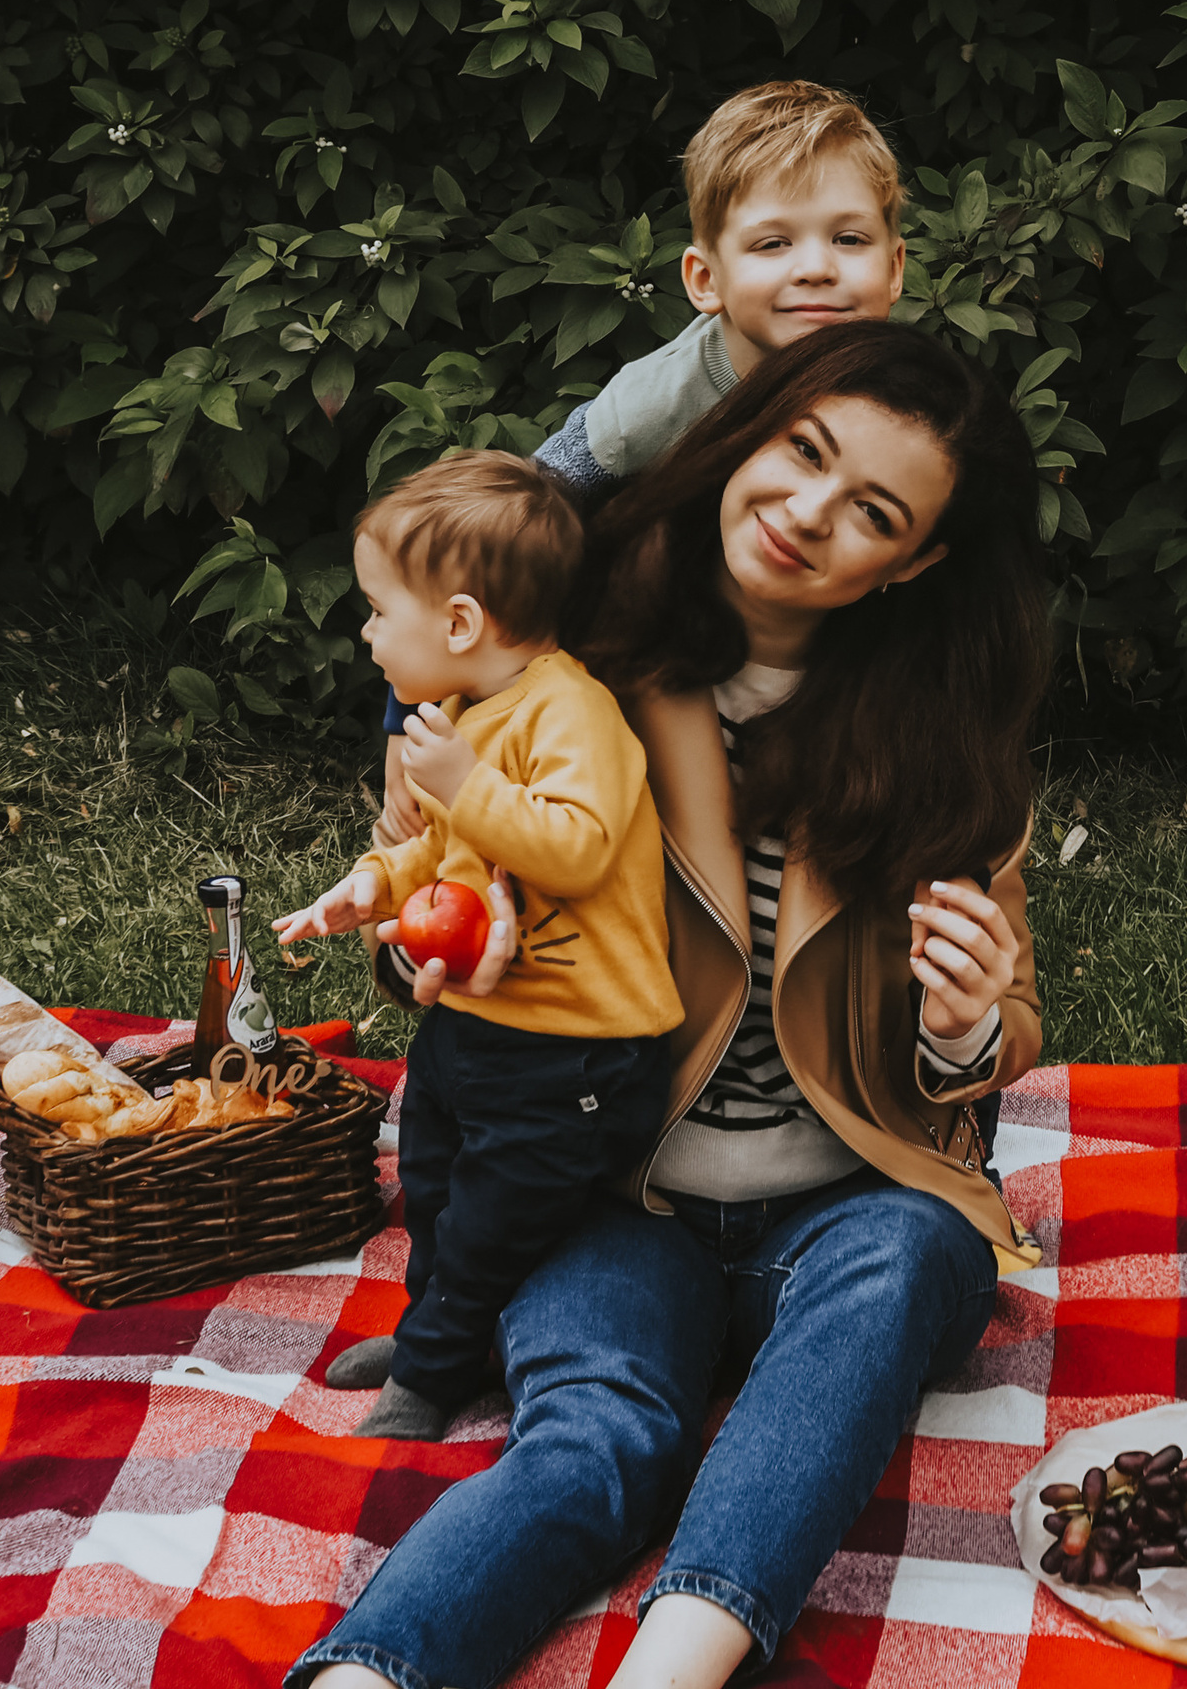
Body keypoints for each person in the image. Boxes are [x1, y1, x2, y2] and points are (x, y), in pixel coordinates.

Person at [290, 321, 1051, 1689]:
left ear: (916, 561)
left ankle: (679, 1664)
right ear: (749, 429)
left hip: (844, 1205)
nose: (808, 513)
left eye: (873, 510)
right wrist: (449, 948)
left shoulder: (944, 738)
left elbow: (990, 1040)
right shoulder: (566, 672)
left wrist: (963, 1025)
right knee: (596, 1434)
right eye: (802, 450)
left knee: (906, 1254)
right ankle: (370, 1674)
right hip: (615, 1182)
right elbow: (427, 913)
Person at [373, 82, 909, 850]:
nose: (818, 268)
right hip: (647, 642)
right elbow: (489, 536)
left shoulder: (906, 400)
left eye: (849, 240)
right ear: (704, 280)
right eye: (773, 243)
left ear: (894, 269)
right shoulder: (653, 407)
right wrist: (413, 708)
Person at [278, 451, 685, 1440]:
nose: (368, 633)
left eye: (379, 610)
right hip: (478, 1018)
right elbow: (441, 851)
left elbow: (577, 850)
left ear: (460, 623)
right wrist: (366, 891)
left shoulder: (572, 712)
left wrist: (465, 784)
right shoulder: (464, 716)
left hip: (573, 1040)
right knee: (430, 1181)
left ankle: (434, 1371)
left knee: (494, 1214)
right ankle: (436, 1337)